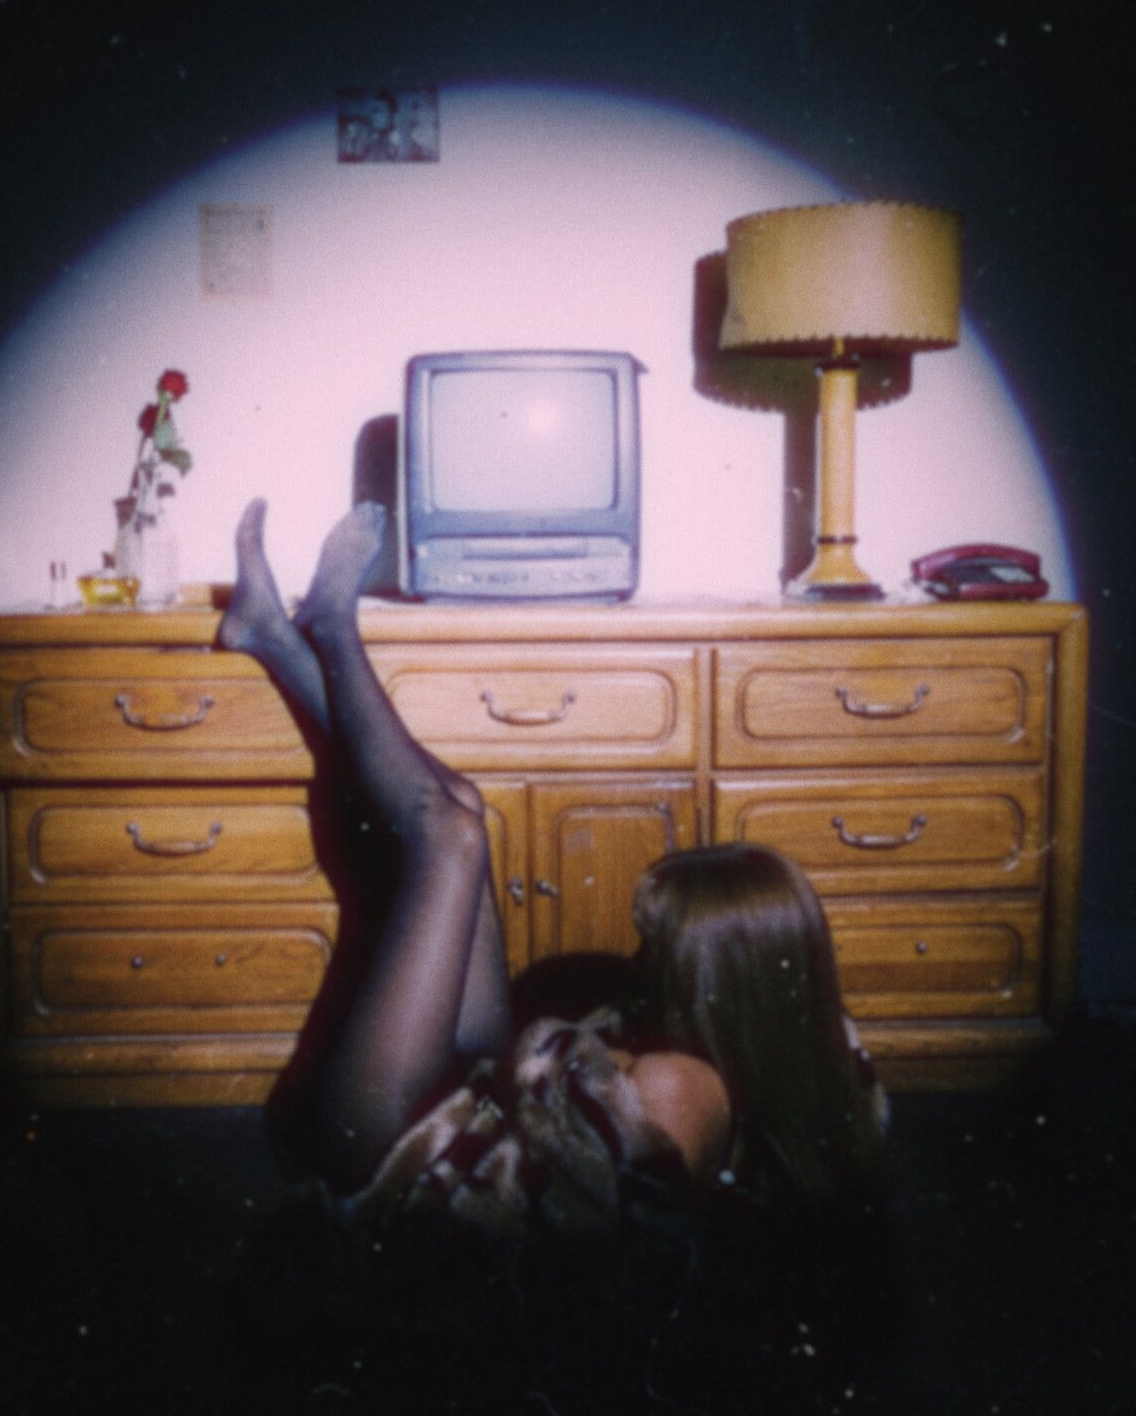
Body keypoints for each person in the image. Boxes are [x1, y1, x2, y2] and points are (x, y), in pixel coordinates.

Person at [216, 499, 887, 1238]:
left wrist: (560, 1048)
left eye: (659, 950)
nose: (642, 965)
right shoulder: (815, 1052)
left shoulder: (676, 1085)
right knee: (461, 810)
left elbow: (566, 1205)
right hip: (472, 1111)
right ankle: (275, 636)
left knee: (450, 836)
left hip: (398, 1160)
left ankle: (330, 631)